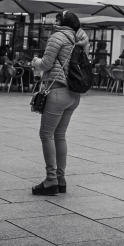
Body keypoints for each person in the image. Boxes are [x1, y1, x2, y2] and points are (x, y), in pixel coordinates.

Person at [31, 10, 89, 196]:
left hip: (57, 91)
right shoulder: (81, 39)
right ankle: (61, 179)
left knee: (46, 134)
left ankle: (50, 180)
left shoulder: (58, 36)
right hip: (74, 94)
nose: (54, 21)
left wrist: (35, 62)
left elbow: (47, 64)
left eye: (57, 18)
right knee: (60, 135)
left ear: (64, 22)